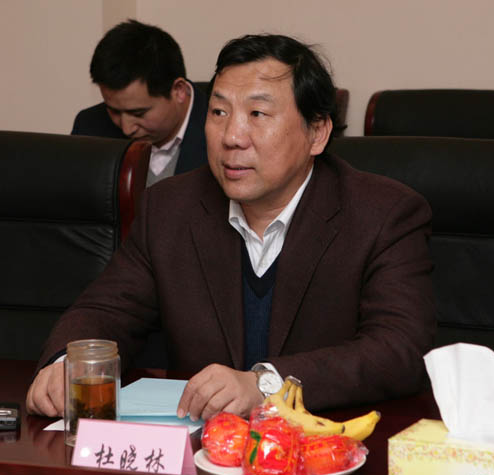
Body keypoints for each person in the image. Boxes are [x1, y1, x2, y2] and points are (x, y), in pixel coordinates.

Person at [27, 34, 436, 421]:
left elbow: (399, 350)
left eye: (257, 114)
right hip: (202, 450)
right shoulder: (171, 208)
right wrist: (67, 364)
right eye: (219, 113)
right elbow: (106, 309)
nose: (232, 137)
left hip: (328, 445)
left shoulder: (383, 214)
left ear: (317, 132)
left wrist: (267, 384)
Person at [71, 19, 208, 186]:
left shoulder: (223, 132)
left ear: (178, 91)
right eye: (114, 111)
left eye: (138, 113)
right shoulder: (89, 129)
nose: (127, 128)